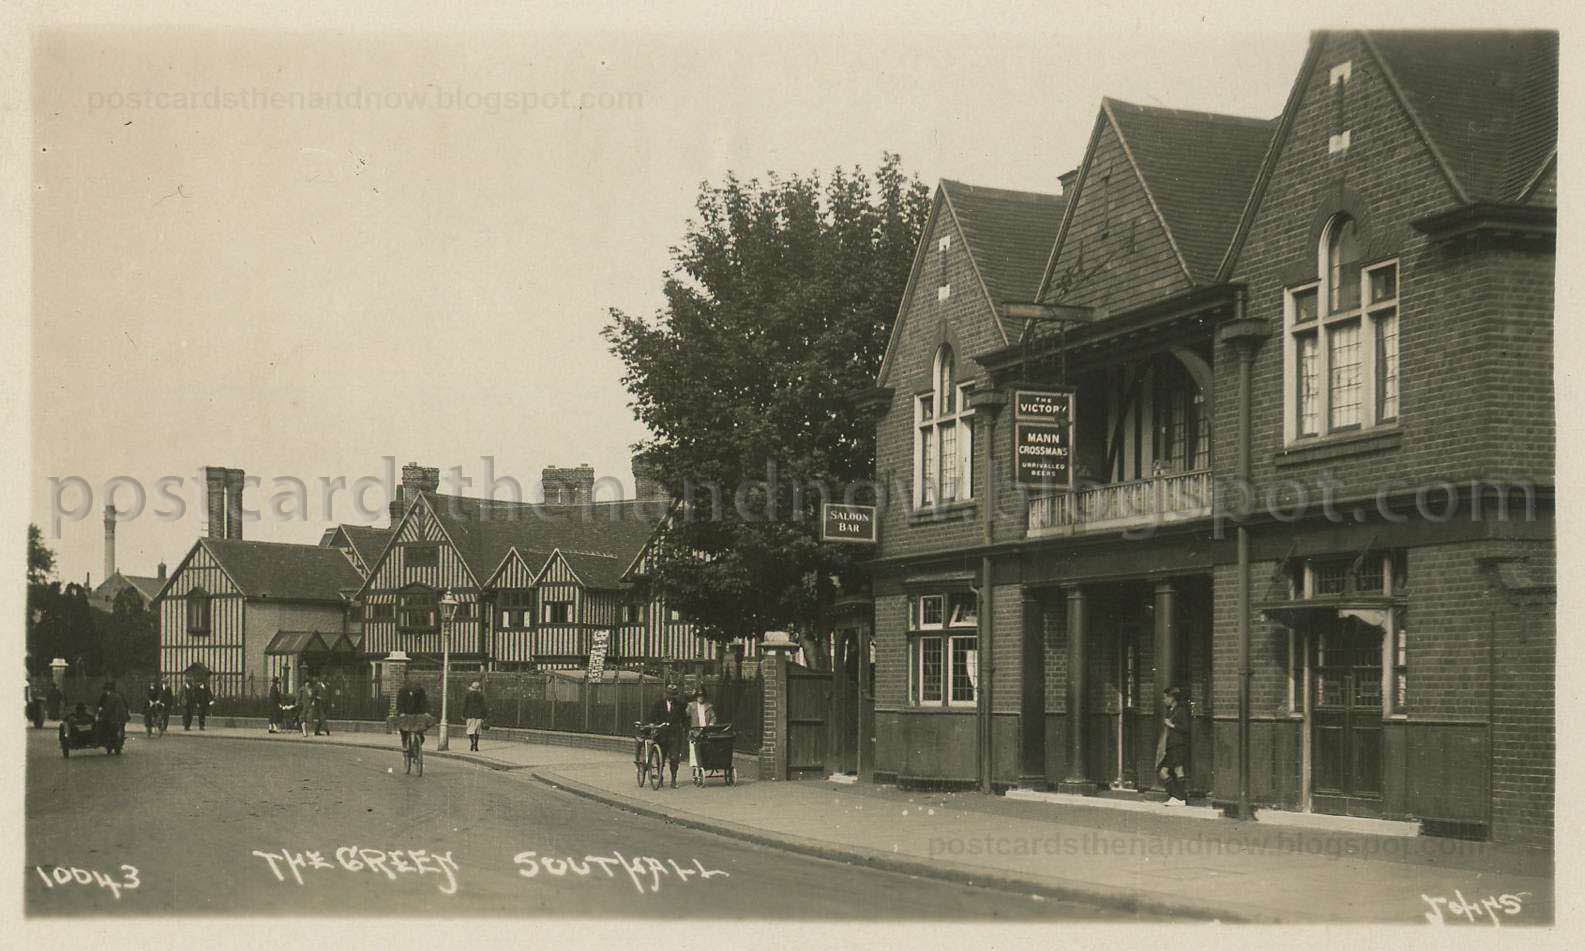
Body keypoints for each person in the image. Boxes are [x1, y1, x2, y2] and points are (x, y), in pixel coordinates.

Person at [645, 684, 689, 788]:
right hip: (662, 734)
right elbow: (651, 717)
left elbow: (684, 719)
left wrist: (687, 729)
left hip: (674, 734)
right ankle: (660, 777)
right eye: (669, 694)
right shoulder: (658, 704)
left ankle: (673, 780)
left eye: (674, 695)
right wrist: (652, 724)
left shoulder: (679, 705)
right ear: (666, 694)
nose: (671, 697)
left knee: (674, 758)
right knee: (661, 757)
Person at [1157, 686, 1191, 807]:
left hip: (1178, 745)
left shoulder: (1181, 711)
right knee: (1163, 771)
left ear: (1172, 698)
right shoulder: (1170, 710)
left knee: (1177, 770)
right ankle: (1176, 796)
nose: (1164, 700)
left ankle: (1180, 798)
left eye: (1165, 697)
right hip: (1171, 745)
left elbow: (1186, 728)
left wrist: (1171, 725)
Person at [686, 687, 716, 773]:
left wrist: (711, 723)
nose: (700, 698)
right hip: (695, 730)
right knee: (694, 749)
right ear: (696, 697)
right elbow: (686, 717)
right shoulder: (691, 706)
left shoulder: (708, 706)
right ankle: (696, 767)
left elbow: (713, 717)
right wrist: (689, 727)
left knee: (706, 748)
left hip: (706, 730)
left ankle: (704, 764)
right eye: (699, 696)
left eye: (702, 696)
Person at [394, 674, 428, 751]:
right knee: (404, 728)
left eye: (417, 684)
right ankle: (404, 743)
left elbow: (424, 702)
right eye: (413, 684)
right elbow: (400, 703)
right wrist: (402, 712)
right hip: (405, 714)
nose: (416, 686)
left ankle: (416, 745)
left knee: (420, 733)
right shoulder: (403, 691)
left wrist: (425, 712)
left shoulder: (421, 691)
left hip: (416, 714)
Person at [95, 679, 130, 748]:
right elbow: (126, 705)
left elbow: (104, 707)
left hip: (112, 717)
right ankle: (120, 741)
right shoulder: (119, 694)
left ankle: (100, 741)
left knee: (102, 726)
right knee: (121, 728)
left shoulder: (108, 696)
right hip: (120, 716)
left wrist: (101, 713)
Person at [462, 680, 487, 751]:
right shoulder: (481, 695)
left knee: (470, 730)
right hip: (479, 715)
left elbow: (465, 705)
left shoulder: (468, 695)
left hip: (470, 714)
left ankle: (472, 742)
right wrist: (484, 716)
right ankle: (476, 745)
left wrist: (463, 714)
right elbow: (483, 706)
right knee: (477, 731)